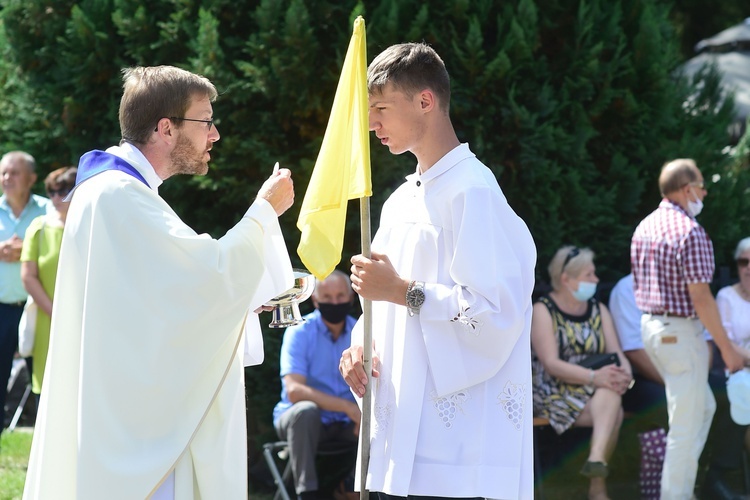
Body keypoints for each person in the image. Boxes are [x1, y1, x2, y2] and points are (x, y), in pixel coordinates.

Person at [23, 65, 295, 499]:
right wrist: (263, 211)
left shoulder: (117, 193)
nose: (215, 134)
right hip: (134, 432)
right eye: (206, 121)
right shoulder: (118, 195)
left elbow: (165, 301)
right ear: (166, 128)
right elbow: (207, 277)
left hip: (126, 415)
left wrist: (239, 301)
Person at [338, 42, 537, 499]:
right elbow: (383, 306)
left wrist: (404, 291)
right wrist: (359, 348)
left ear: (425, 100)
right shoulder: (400, 200)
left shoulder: (473, 191)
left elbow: (495, 312)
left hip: (456, 449)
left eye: (381, 108)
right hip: (397, 436)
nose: (371, 124)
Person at [631, 158, 746, 500]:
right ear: (687, 189)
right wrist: (727, 349)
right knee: (685, 426)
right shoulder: (690, 231)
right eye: (701, 188)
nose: (704, 195)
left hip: (654, 330)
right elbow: (701, 297)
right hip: (679, 333)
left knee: (702, 410)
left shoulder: (645, 226)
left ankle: (678, 488)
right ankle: (674, 495)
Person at [531, 246, 632, 500]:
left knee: (612, 397)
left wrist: (625, 376)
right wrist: (594, 378)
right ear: (566, 278)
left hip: (596, 388)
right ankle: (597, 487)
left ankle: (596, 460)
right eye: (589, 274)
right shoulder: (543, 310)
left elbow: (617, 352)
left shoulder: (598, 309)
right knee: (614, 411)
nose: (596, 280)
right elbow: (551, 364)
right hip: (552, 389)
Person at [273, 270, 360, 500]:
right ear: (315, 300)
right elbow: (294, 391)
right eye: (327, 297)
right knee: (306, 411)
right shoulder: (299, 331)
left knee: (382, 416)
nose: (334, 302)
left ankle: (353, 487)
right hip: (302, 422)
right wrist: (347, 407)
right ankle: (306, 494)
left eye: (341, 296)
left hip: (347, 425)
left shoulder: (361, 332)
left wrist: (362, 413)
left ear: (351, 298)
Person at [0, 151, 49, 429]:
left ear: (31, 178)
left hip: (37, 309)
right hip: (1, 309)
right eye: (4, 172)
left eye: (14, 173)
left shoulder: (48, 211)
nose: (7, 178)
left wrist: (26, 252)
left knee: (43, 380)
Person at [20, 166, 77, 398]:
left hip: (84, 319)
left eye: (62, 191)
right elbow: (28, 275)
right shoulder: (39, 227)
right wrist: (55, 312)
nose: (54, 197)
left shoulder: (92, 227)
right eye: (51, 191)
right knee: (49, 390)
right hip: (49, 320)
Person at [702, 237, 750, 500]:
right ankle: (716, 476)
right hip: (733, 371)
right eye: (744, 261)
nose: (749, 267)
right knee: (744, 397)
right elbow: (725, 342)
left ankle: (716, 479)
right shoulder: (726, 297)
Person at [608, 273, 667, 414]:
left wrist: (698, 380)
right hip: (646, 376)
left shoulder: (689, 284)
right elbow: (634, 351)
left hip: (689, 374)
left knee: (721, 390)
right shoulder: (627, 289)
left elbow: (705, 338)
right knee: (665, 400)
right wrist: (676, 383)